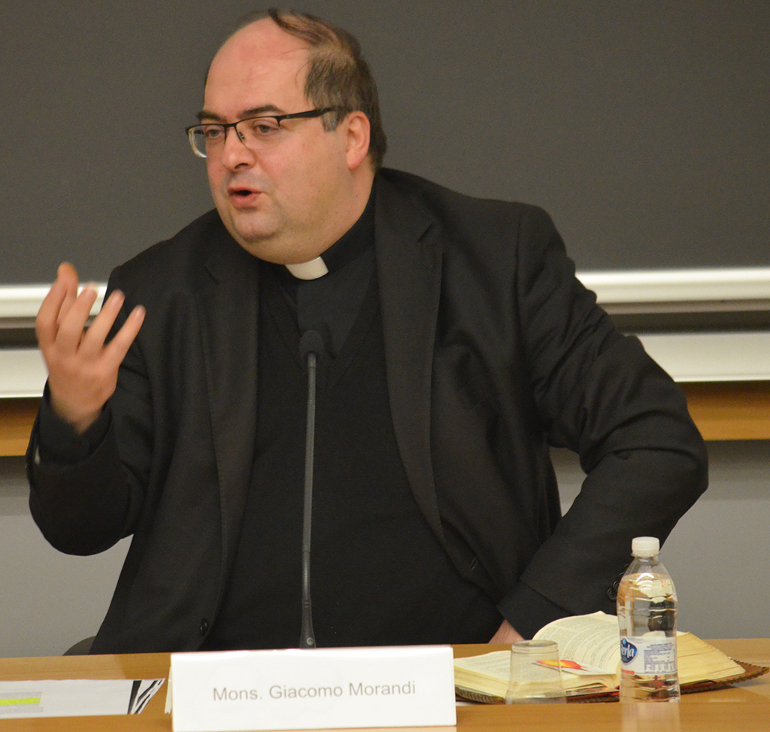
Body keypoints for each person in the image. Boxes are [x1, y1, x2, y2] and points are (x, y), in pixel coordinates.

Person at [27, 9, 707, 654]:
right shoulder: (160, 290)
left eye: (264, 126)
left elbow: (655, 439)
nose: (231, 154)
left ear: (350, 136)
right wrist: (75, 417)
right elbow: (79, 530)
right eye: (215, 130)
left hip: (452, 686)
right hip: (214, 687)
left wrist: (536, 618)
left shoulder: (495, 261)